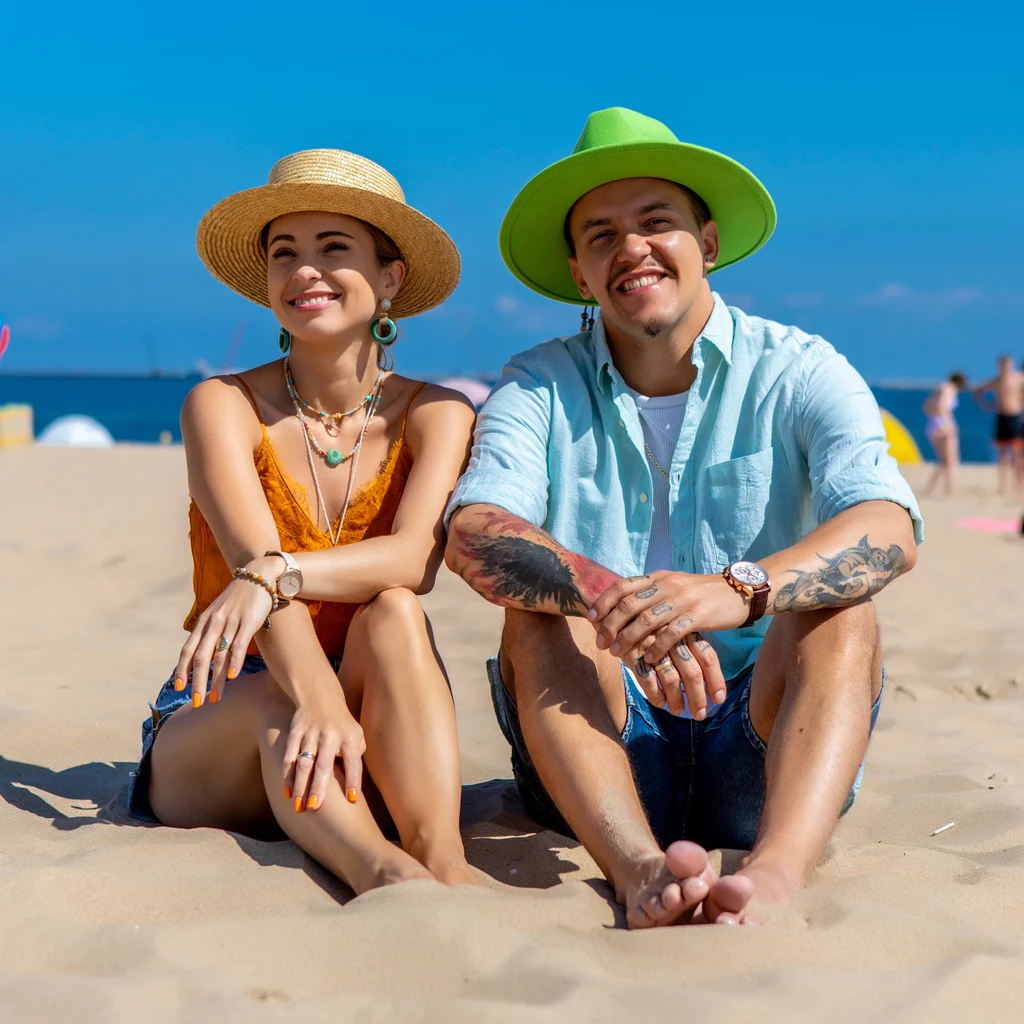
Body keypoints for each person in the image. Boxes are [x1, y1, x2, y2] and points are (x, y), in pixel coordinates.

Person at [445, 108, 922, 927]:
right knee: (533, 618)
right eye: (601, 234)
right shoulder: (537, 383)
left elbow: (888, 525)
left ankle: (772, 875)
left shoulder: (800, 368)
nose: (629, 246)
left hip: (763, 743)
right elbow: (475, 529)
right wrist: (617, 603)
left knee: (843, 608)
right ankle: (638, 872)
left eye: (654, 221)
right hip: (605, 748)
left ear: (706, 243)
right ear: (579, 272)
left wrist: (735, 590)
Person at [126, 148, 480, 894]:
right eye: (285, 253)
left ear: (390, 279)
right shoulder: (221, 405)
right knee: (273, 699)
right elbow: (254, 565)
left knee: (394, 611)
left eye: (334, 248)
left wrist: (278, 573)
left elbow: (414, 561)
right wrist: (318, 699)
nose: (305, 270)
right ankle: (386, 877)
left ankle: (443, 861)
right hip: (225, 719)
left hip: (372, 705)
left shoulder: (439, 411)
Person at [972, 355, 1024, 495]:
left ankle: (1019, 485)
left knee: (1017, 454)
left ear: (1012, 365)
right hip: (1001, 417)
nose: (1005, 368)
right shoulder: (996, 381)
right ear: (999, 366)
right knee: (1002, 454)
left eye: (1008, 365)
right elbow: (977, 391)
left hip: (1015, 417)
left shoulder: (1019, 378)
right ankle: (1003, 486)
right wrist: (986, 405)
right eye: (1003, 365)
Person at [922, 372, 967, 497]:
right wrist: (947, 424)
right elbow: (942, 406)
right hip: (943, 425)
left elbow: (926, 407)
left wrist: (935, 419)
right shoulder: (949, 388)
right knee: (951, 460)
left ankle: (930, 488)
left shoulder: (939, 388)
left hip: (933, 424)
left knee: (943, 461)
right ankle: (950, 490)